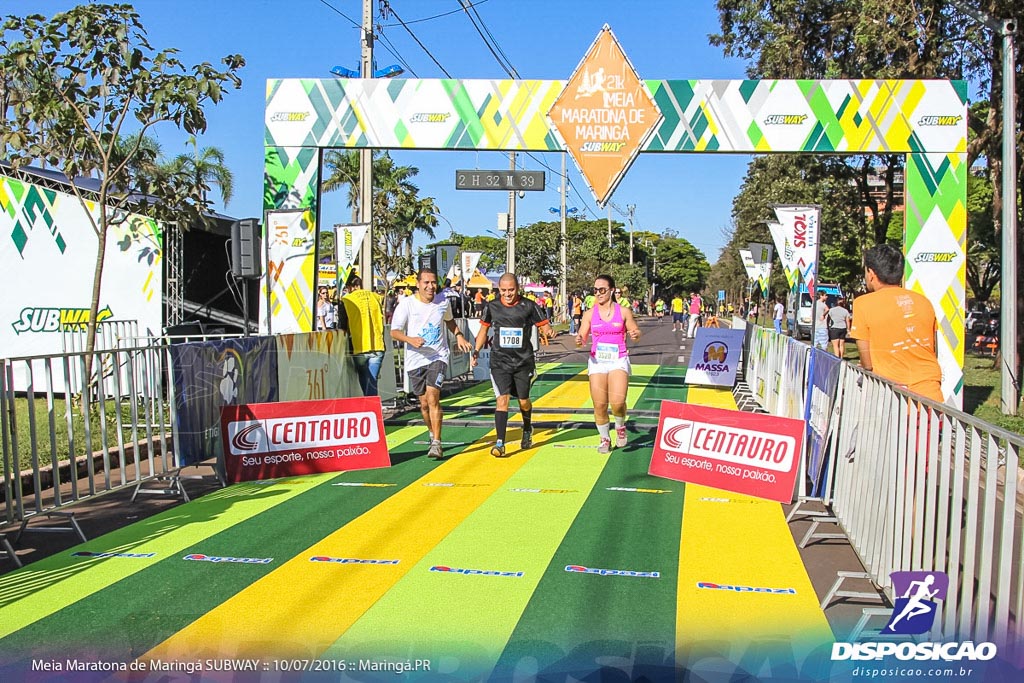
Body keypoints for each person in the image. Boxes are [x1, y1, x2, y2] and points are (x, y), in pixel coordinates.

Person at [390, 268, 474, 460]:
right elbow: (394, 332)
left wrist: (459, 336)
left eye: (433, 282)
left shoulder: (442, 302)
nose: (430, 286)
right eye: (426, 283)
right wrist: (410, 340)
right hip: (415, 359)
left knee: (433, 398)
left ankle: (437, 442)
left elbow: (450, 321)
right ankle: (431, 432)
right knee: (424, 404)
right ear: (418, 284)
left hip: (438, 357)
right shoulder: (407, 305)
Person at [849, 244, 943, 403]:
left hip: (890, 394)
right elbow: (933, 347)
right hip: (930, 391)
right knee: (926, 429)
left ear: (871, 273)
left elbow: (867, 361)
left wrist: (866, 367)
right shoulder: (923, 302)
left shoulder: (863, 304)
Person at [471, 273, 552, 458]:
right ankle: (500, 442)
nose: (507, 294)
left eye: (511, 290)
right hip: (500, 361)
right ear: (499, 289)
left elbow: (544, 325)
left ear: (518, 289)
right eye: (503, 290)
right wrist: (476, 351)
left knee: (523, 401)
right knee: (502, 400)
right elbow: (483, 330)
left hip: (523, 361)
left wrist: (548, 330)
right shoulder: (492, 306)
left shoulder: (529, 305)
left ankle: (527, 428)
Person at [575, 274, 642, 454]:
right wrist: (579, 339)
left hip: (618, 359)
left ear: (612, 290)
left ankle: (620, 426)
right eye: (595, 290)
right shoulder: (589, 314)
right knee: (600, 404)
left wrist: (635, 334)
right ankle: (604, 438)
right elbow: (582, 334)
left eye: (602, 290)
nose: (598, 293)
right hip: (598, 361)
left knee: (618, 402)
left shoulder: (624, 312)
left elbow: (634, 331)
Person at [340, 276, 386, 396]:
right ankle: (371, 406)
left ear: (351, 287)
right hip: (377, 344)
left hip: (359, 346)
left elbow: (342, 324)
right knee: (372, 381)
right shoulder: (375, 297)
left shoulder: (346, 300)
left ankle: (370, 407)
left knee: (365, 378)